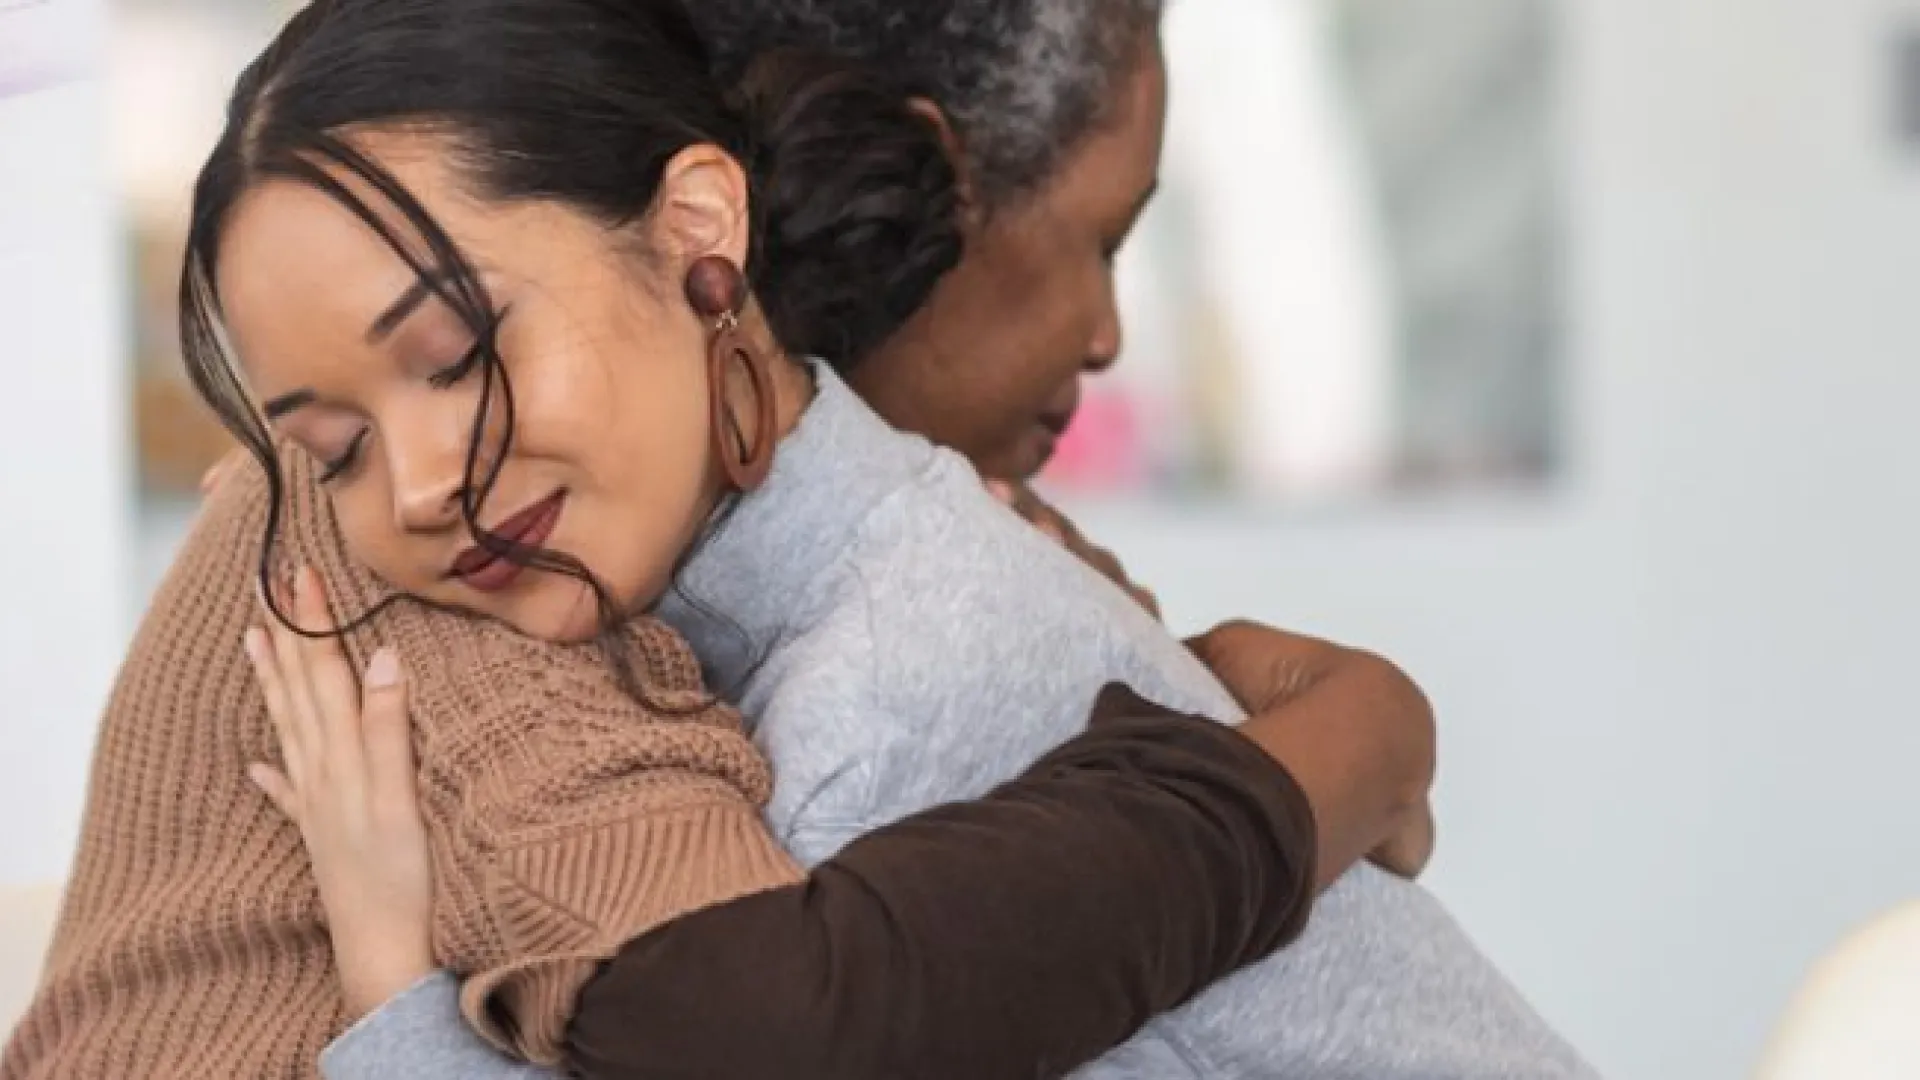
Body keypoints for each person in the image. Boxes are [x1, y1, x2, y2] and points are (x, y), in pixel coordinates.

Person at [0, 4, 1444, 1079]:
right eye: (334, 440)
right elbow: (787, 1023)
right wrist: (1334, 754)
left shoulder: (812, 582)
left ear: (708, 223)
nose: (421, 480)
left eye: (456, 357)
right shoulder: (383, 573)